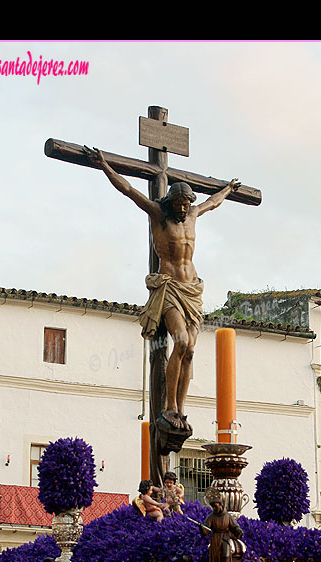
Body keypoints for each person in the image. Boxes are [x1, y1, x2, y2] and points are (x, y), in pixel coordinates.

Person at [83, 146, 240, 432]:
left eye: (185, 203)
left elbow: (213, 202)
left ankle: (181, 408)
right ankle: (168, 406)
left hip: (192, 290)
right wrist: (105, 165)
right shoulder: (158, 214)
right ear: (170, 201)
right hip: (169, 289)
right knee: (180, 341)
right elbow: (130, 190)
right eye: (178, 203)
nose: (182, 207)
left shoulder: (192, 215)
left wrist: (228, 189)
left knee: (190, 351)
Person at [200, 488, 244, 562]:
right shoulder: (211, 517)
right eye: (213, 507)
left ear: (220, 505)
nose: (214, 509)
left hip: (225, 537)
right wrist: (202, 528)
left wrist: (239, 531)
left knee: (226, 555)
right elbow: (206, 531)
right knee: (216, 558)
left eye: (216, 506)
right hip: (215, 539)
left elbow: (235, 527)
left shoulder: (228, 516)